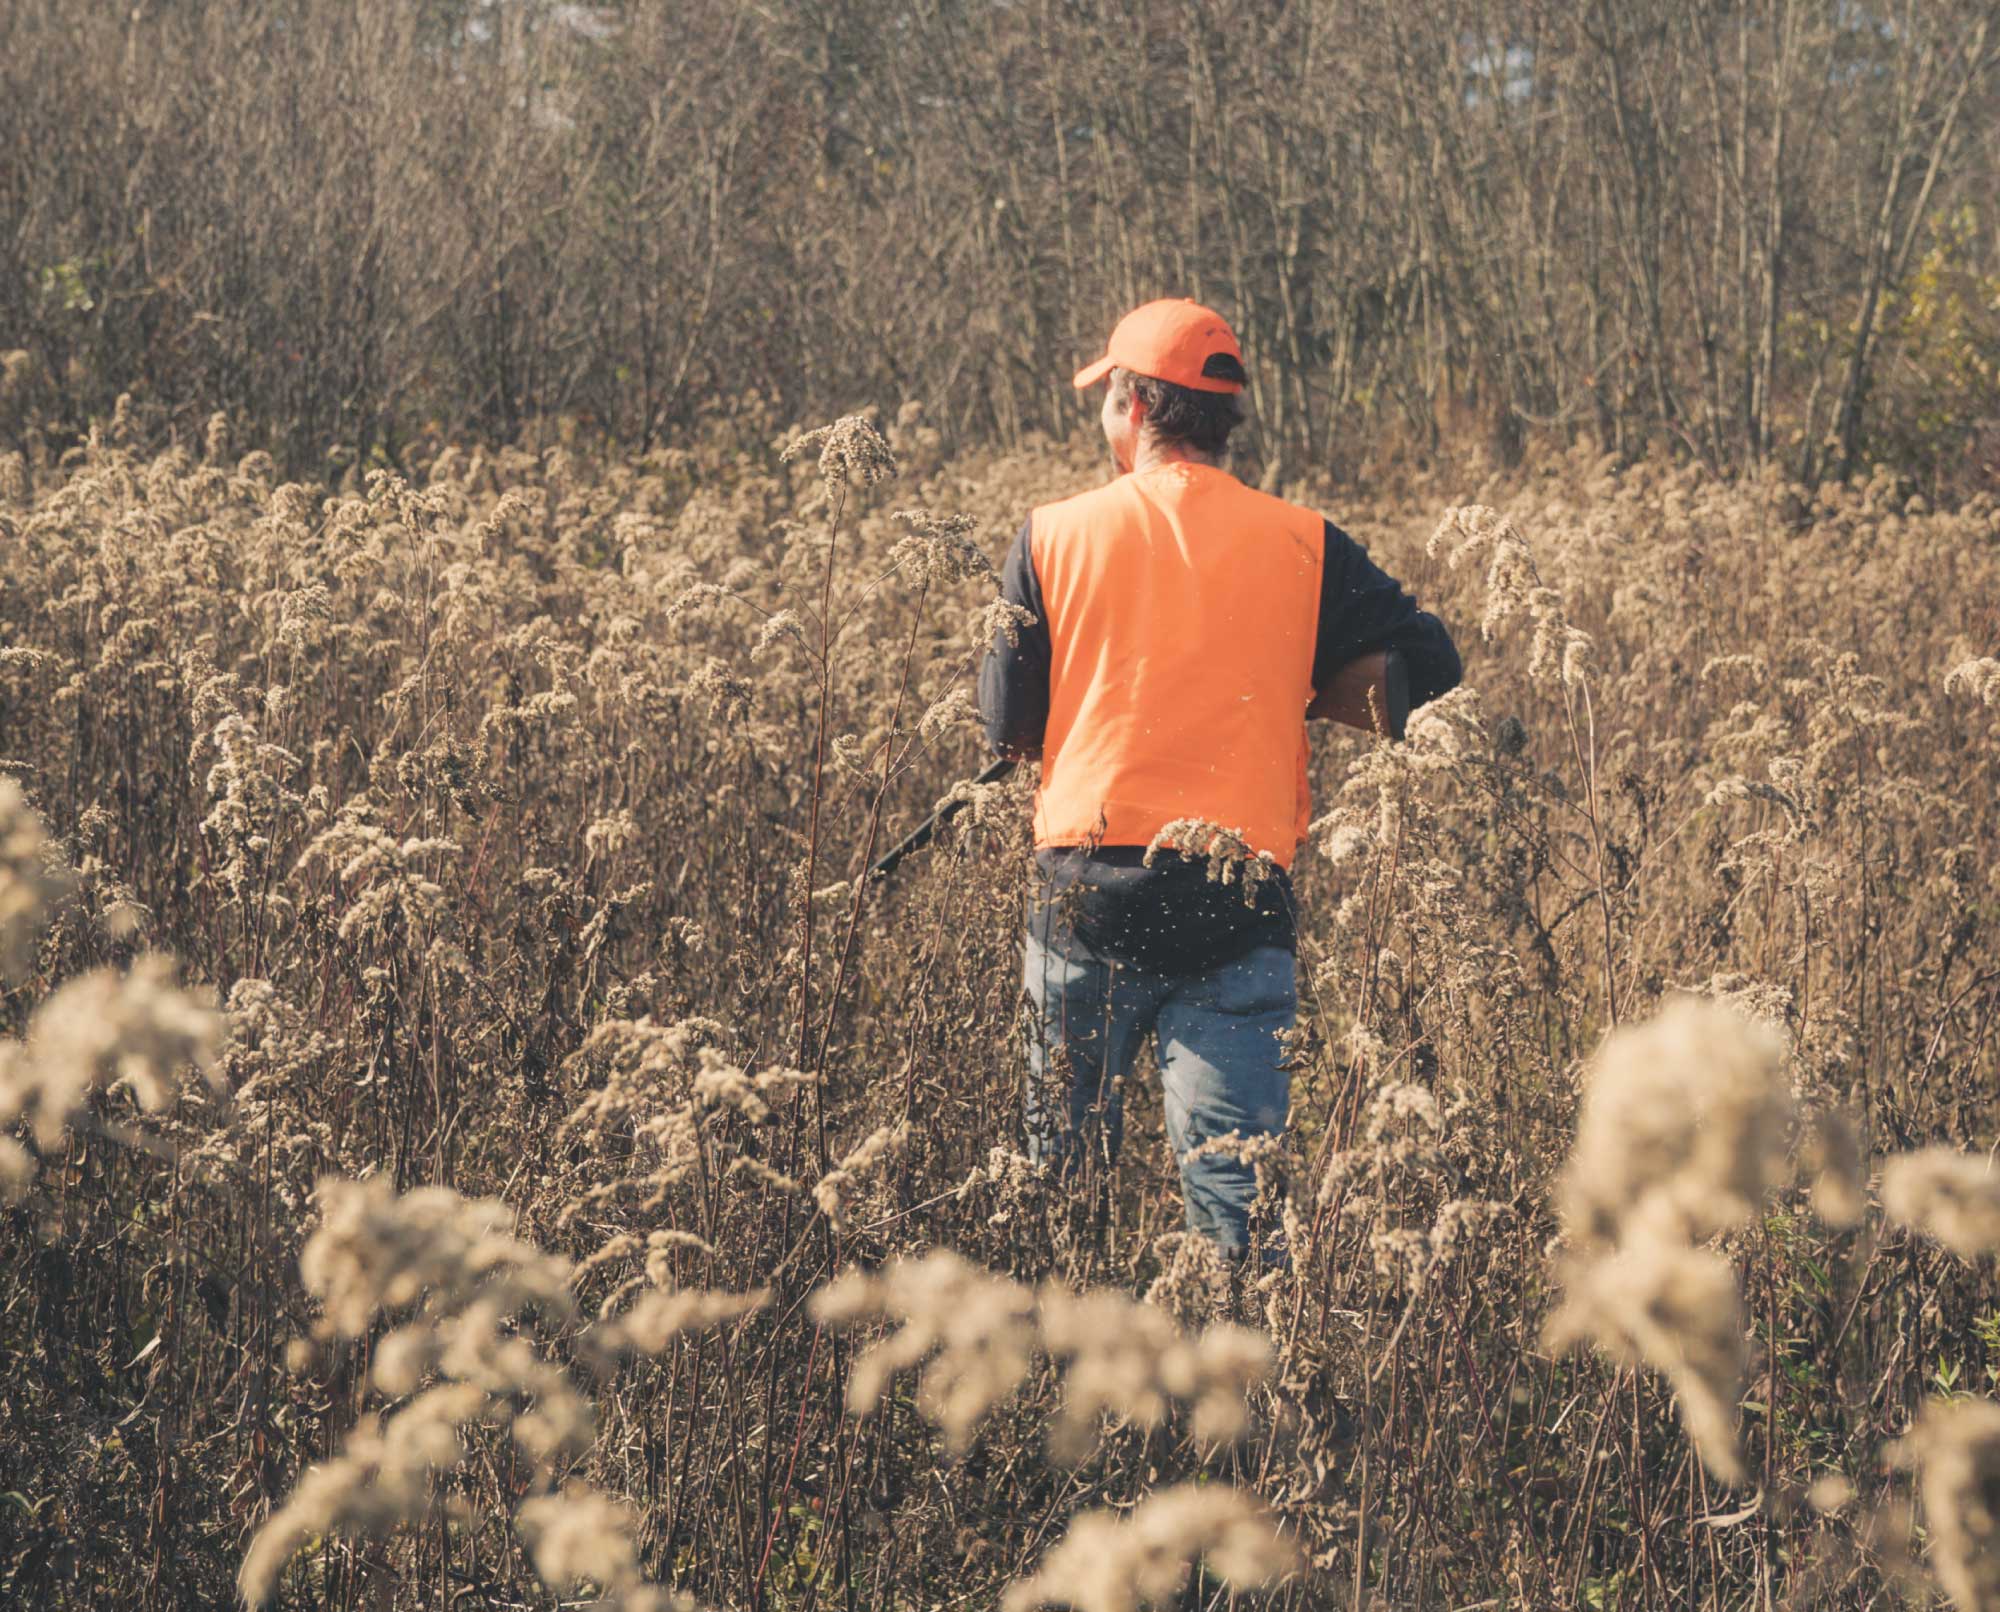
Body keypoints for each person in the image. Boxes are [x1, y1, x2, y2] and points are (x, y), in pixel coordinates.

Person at [977, 297, 1462, 1261]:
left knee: (1052, 1203)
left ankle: (1053, 1395)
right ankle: (1245, 1404)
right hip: (1238, 909)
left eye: (1106, 396)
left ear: (1128, 403)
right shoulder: (1303, 542)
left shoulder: (1049, 535)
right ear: (1222, 417)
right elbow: (1432, 667)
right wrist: (1295, 679)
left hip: (1086, 907)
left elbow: (1003, 727)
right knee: (1240, 1230)